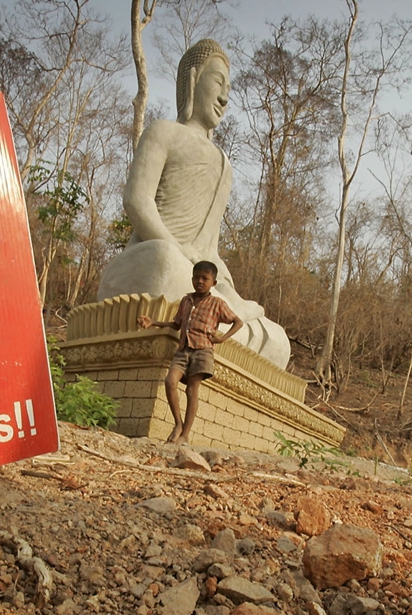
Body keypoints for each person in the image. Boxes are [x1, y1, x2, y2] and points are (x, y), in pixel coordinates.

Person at [98, 38, 290, 369]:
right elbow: (137, 201)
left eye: (228, 88)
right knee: (166, 262)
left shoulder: (223, 165)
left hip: (197, 274)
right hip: (155, 258)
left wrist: (226, 288)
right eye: (218, 82)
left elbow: (209, 248)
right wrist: (179, 252)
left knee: (278, 341)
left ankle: (221, 312)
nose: (224, 97)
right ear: (192, 79)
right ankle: (210, 306)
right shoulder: (164, 132)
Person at [137, 261, 243, 444]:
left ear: (213, 283)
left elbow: (237, 321)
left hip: (203, 350)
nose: (200, 281)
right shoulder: (186, 301)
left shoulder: (217, 303)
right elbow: (177, 324)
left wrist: (222, 338)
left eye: (205, 278)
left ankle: (185, 434)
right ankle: (178, 423)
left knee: (192, 390)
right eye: (196, 277)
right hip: (183, 349)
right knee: (170, 381)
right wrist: (153, 322)